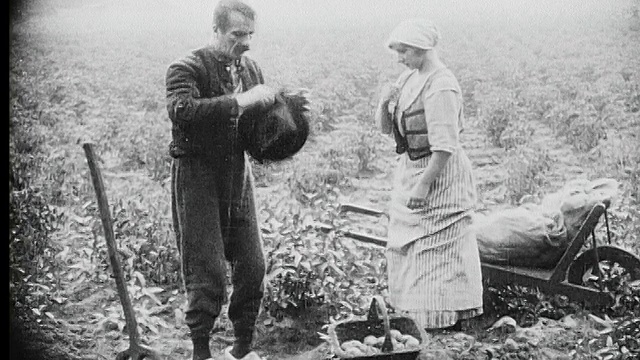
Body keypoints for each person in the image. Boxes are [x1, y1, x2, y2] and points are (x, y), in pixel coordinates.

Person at [165, 1, 277, 359]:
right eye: (237, 34)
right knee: (206, 266)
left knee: (253, 263)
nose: (245, 42)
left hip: (236, 172)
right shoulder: (186, 67)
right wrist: (241, 100)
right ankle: (201, 350)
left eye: (249, 35)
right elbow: (183, 111)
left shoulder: (250, 68)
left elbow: (260, 121)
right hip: (197, 173)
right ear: (216, 30)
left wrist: (288, 107)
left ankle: (242, 347)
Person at [374, 18, 483, 331]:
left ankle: (442, 322)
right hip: (414, 168)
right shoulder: (411, 77)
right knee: (406, 246)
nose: (399, 57)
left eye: (404, 50)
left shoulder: (441, 86)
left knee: (436, 249)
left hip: (440, 177)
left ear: (423, 49)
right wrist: (385, 101)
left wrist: (423, 186)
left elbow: (445, 147)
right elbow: (388, 130)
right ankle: (414, 315)